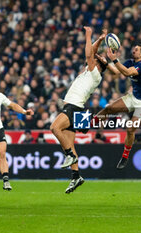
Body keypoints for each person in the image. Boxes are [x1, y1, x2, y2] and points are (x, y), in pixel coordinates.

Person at [50, 27, 115, 193]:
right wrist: (100, 39)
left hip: (74, 106)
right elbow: (91, 52)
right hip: (76, 107)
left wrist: (88, 35)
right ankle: (76, 176)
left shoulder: (95, 75)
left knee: (54, 128)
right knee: (70, 143)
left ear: (97, 65)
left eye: (96, 59)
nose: (93, 57)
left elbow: (88, 54)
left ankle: (68, 155)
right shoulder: (90, 70)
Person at [93, 44, 141, 169]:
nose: (134, 50)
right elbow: (116, 72)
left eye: (136, 49)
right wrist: (106, 63)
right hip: (134, 97)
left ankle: (125, 156)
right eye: (134, 48)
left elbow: (127, 72)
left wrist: (114, 59)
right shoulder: (131, 61)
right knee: (109, 108)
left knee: (130, 129)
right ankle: (91, 127)